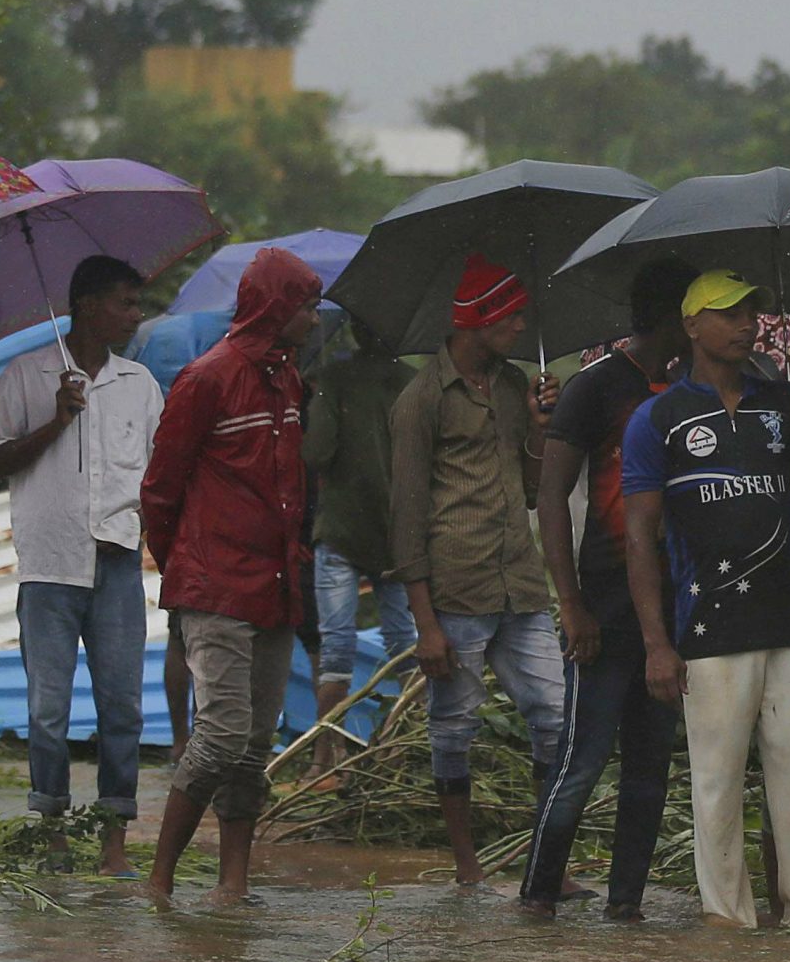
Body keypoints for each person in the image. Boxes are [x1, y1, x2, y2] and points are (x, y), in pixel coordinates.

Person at [621, 270, 790, 929]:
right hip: (707, 625)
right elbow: (640, 538)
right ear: (692, 324)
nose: (745, 324)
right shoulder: (657, 418)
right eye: (727, 313)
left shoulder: (783, 405)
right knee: (716, 783)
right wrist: (656, 642)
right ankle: (728, 924)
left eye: (751, 313)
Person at [139, 247, 321, 903]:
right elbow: (160, 489)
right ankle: (159, 882)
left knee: (253, 743)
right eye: (307, 303)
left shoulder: (288, 379)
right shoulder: (208, 378)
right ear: (277, 307)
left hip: (274, 583)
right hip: (215, 583)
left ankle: (232, 885)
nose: (316, 317)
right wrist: (185, 569)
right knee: (218, 734)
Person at [520, 256, 697, 920]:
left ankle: (626, 905)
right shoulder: (598, 387)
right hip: (602, 597)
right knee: (581, 761)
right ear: (675, 320)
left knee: (650, 768)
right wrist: (569, 604)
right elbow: (550, 493)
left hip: (671, 603)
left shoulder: (692, 392)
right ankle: (537, 897)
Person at [386, 254, 571, 888]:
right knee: (455, 728)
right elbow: (406, 517)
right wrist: (424, 625)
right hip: (456, 590)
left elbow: (530, 486)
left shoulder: (518, 390)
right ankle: (468, 868)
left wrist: (546, 429)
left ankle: (546, 862)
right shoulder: (420, 402)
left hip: (519, 583)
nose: (520, 327)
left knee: (556, 714)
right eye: (511, 315)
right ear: (479, 319)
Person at [0, 256, 163, 877]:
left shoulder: (139, 383)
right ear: (87, 305)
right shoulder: (25, 376)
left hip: (116, 563)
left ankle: (114, 841)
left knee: (123, 708)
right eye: (125, 303)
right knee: (46, 710)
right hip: (49, 562)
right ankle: (53, 829)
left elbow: (156, 476)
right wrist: (56, 421)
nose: (135, 315)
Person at [300, 317, 415, 781]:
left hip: (341, 530)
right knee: (405, 645)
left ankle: (325, 758)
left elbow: (315, 454)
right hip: (399, 536)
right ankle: (401, 750)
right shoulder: (415, 383)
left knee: (336, 646)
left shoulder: (335, 378)